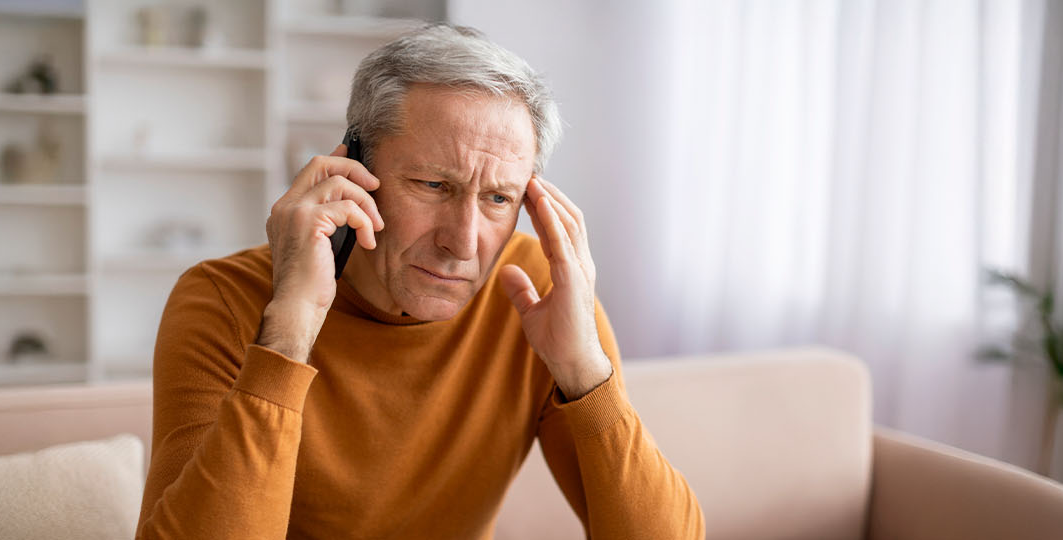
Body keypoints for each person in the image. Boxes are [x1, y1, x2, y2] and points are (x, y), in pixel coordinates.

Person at [137, 23, 704, 539]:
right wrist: (288, 330)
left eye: (498, 198)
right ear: (353, 170)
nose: (463, 241)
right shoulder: (222, 301)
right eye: (433, 185)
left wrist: (584, 371)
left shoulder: (536, 292)